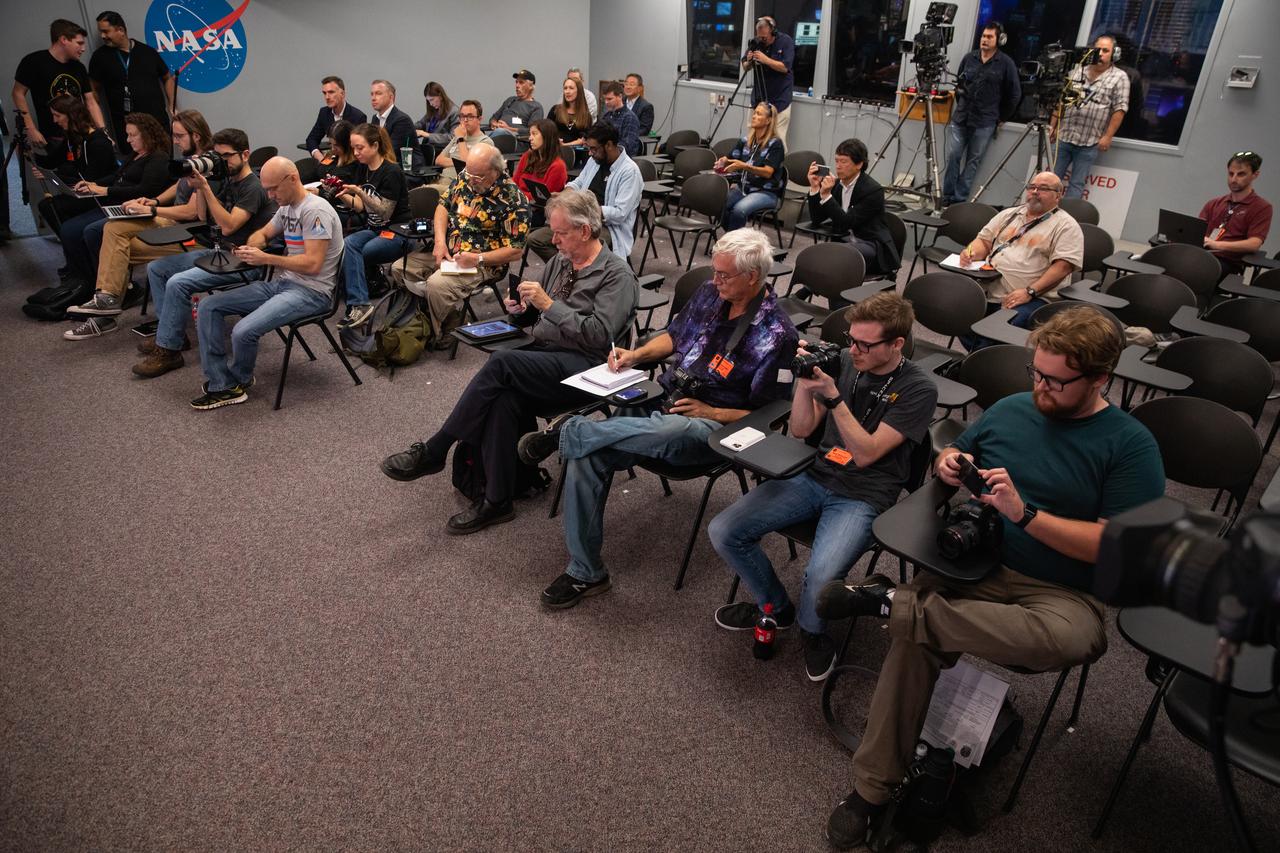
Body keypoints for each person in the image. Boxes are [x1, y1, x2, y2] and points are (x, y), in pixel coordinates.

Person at [818, 306, 1165, 849]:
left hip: (1060, 590)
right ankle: (871, 789)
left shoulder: (1130, 445)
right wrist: (949, 462)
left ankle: (895, 603)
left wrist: (1025, 514)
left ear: (1100, 378)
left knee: (1075, 637)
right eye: (1037, 373)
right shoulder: (1011, 409)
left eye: (1056, 380)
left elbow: (1115, 545)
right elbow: (955, 453)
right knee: (916, 638)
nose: (1042, 389)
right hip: (978, 566)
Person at [519, 228, 799, 609]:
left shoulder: (778, 335)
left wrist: (712, 412)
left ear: (753, 277)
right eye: (714, 272)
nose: (714, 281)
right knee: (591, 452)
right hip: (670, 398)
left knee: (674, 425)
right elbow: (675, 335)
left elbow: (769, 415)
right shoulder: (711, 293)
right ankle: (586, 571)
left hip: (716, 426)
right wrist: (637, 355)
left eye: (723, 275)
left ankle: (574, 431)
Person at [709, 293, 938, 680]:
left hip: (865, 494)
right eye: (851, 339)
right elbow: (800, 429)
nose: (855, 350)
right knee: (724, 530)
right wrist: (804, 382)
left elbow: (866, 454)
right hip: (815, 476)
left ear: (896, 344)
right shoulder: (845, 361)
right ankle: (776, 608)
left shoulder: (919, 389)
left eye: (866, 344)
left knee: (818, 580)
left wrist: (833, 397)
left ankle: (812, 631)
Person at [380, 189, 636, 533]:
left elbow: (598, 335)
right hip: (548, 357)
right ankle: (497, 500)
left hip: (589, 368)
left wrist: (547, 305)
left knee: (502, 364)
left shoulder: (616, 274)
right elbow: (535, 318)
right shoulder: (561, 261)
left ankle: (436, 449)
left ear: (585, 231)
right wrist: (521, 311)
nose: (553, 239)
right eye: (553, 230)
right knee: (503, 397)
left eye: (560, 232)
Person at [190, 158, 345, 411]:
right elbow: (263, 233)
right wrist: (254, 245)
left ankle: (237, 381)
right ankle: (222, 383)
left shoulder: (316, 211)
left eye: (274, 189)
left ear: (293, 179)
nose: (271, 196)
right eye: (267, 190)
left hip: (313, 292)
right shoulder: (286, 207)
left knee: (243, 331)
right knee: (209, 306)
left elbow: (314, 265)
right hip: (284, 284)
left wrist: (266, 258)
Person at [132, 128, 276, 378]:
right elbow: (200, 215)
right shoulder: (227, 180)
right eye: (217, 156)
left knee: (178, 282)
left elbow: (229, 225)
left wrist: (207, 190)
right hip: (219, 253)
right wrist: (199, 186)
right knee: (156, 268)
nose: (221, 162)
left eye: (226, 156)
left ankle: (168, 350)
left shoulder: (253, 186)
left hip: (244, 262)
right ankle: (173, 335)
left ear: (245, 154)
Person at [61, 109, 213, 340]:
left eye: (179, 136)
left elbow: (193, 212)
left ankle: (106, 311)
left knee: (113, 244)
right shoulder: (191, 159)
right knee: (113, 239)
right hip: (175, 226)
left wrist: (151, 209)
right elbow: (180, 186)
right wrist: (155, 200)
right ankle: (106, 303)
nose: (175, 140)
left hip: (191, 235)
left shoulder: (208, 164)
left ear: (197, 136)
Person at [402, 144, 529, 339]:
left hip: (485, 262)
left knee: (436, 285)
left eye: (477, 177)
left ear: (495, 172)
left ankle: (434, 334)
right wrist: (439, 242)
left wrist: (477, 259)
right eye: (468, 173)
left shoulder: (514, 200)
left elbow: (516, 251)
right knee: (399, 268)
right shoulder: (465, 178)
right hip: (449, 250)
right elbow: (443, 207)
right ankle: (447, 317)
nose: (470, 180)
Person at [957, 172, 1083, 350]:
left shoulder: (1066, 226)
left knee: (996, 331)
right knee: (958, 310)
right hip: (989, 286)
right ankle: (979, 358)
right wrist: (971, 252)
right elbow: (983, 241)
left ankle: (979, 362)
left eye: (1044, 188)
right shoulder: (1009, 214)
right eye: (1032, 187)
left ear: (1058, 195)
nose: (1035, 191)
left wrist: (1029, 292)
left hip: (1033, 297)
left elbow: (1063, 267)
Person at [53, 112, 172, 291]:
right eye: (128, 134)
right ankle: (86, 278)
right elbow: (117, 177)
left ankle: (107, 284)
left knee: (83, 231)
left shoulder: (158, 158)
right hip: (115, 203)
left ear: (147, 134)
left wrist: (105, 190)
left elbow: (145, 191)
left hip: (131, 208)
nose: (128, 139)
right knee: (69, 228)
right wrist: (95, 184)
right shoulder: (135, 155)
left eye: (133, 135)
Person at [526, 123, 641, 263]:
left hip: (608, 227)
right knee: (535, 239)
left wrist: (587, 211)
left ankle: (574, 269)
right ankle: (570, 268)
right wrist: (565, 194)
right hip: (579, 217)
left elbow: (620, 213)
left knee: (575, 244)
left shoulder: (629, 171)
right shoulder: (595, 161)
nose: (590, 153)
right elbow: (578, 183)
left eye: (593, 148)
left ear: (609, 145)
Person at [335, 123, 411, 327]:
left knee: (359, 251)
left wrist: (359, 192)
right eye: (353, 148)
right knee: (348, 243)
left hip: (396, 232)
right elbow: (361, 208)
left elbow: (384, 211)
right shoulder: (364, 169)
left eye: (360, 148)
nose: (356, 152)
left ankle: (358, 305)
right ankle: (359, 304)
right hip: (375, 229)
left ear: (375, 146)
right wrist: (342, 195)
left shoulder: (391, 171)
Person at [943, 21, 1021, 205]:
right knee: (953, 155)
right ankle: (946, 196)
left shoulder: (1006, 64)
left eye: (989, 37)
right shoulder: (969, 58)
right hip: (961, 118)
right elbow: (959, 86)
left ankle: (959, 200)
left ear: (999, 40)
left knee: (973, 161)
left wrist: (1002, 117)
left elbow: (1015, 94)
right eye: (983, 36)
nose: (984, 40)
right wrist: (961, 105)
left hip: (985, 122)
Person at [806, 138, 900, 276]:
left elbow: (846, 222)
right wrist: (815, 188)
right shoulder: (837, 185)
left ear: (859, 164)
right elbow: (816, 219)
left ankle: (805, 291)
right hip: (844, 240)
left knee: (835, 256)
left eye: (843, 161)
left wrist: (826, 196)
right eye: (836, 160)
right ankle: (809, 290)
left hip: (870, 243)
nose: (838, 166)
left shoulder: (873, 190)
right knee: (823, 256)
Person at [1050, 35, 1129, 200]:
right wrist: (1053, 125)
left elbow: (1120, 109)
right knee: (1050, 181)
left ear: (1114, 54)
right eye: (1097, 49)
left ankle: (1065, 222)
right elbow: (1061, 100)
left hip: (1090, 142)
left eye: (1105, 51)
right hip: (1064, 136)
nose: (1100, 54)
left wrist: (1108, 137)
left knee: (1077, 184)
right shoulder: (1076, 71)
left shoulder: (1120, 77)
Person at [32, 95, 118, 241]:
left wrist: (53, 175)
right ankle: (73, 244)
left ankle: (73, 243)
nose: (55, 120)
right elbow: (51, 161)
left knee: (51, 207)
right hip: (82, 192)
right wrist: (28, 152)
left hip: (100, 195)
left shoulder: (98, 143)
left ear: (71, 115)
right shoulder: (73, 137)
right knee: (49, 206)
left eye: (57, 115)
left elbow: (89, 180)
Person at [88, 11, 174, 156]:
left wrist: (172, 104)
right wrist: (98, 123)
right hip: (127, 130)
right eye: (100, 32)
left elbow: (167, 77)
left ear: (120, 30)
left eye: (105, 31)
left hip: (157, 123)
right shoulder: (99, 57)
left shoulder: (148, 52)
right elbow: (92, 91)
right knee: (136, 170)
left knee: (164, 163)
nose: (102, 36)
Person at [13, 19, 105, 151]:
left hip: (81, 133)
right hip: (54, 137)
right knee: (63, 170)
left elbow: (90, 101)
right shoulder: (34, 62)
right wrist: (30, 129)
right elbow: (17, 93)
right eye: (79, 43)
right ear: (63, 40)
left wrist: (102, 132)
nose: (83, 48)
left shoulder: (79, 67)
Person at [1200, 151, 1272, 278]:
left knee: (1194, 271)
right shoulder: (1214, 203)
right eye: (1231, 174)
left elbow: (1254, 243)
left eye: (1241, 174)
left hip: (1227, 262)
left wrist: (1217, 244)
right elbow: (1196, 231)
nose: (1233, 179)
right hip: (1201, 255)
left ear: (1255, 174)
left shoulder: (1262, 207)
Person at [717, 102, 785, 231]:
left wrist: (744, 166)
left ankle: (733, 245)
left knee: (739, 210)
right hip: (744, 187)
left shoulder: (775, 144)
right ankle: (732, 239)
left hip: (766, 192)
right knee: (719, 205)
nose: (754, 116)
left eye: (759, 114)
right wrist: (723, 161)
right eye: (754, 113)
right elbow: (731, 159)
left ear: (768, 120)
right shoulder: (746, 141)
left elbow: (767, 172)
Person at [743, 15, 795, 145]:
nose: (762, 40)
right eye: (760, 36)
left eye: (764, 37)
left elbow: (785, 67)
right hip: (758, 99)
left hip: (779, 99)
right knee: (752, 135)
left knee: (777, 139)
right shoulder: (756, 43)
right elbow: (745, 66)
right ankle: (750, 163)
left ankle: (774, 165)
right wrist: (749, 61)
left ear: (773, 31)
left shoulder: (785, 41)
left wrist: (765, 60)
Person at [511, 118, 569, 226]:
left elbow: (544, 200)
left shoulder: (558, 166)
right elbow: (514, 184)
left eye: (534, 134)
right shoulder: (527, 156)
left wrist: (519, 195)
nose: (530, 138)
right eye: (530, 134)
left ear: (546, 136)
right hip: (518, 204)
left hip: (538, 212)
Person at [434, 99, 494, 184]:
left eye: (470, 116)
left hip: (461, 186)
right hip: (442, 179)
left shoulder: (485, 142)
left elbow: (469, 167)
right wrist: (458, 163)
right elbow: (439, 160)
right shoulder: (457, 137)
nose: (465, 120)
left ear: (479, 119)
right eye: (462, 116)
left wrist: (461, 139)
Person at [306, 76, 366, 161]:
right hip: (330, 160)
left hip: (350, 163)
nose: (327, 97)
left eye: (331, 92)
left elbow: (358, 148)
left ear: (342, 93)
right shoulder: (324, 112)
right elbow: (311, 139)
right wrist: (320, 157)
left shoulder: (358, 116)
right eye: (324, 93)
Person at [490, 70, 544, 136]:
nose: (517, 85)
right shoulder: (510, 100)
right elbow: (494, 118)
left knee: (497, 134)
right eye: (516, 82)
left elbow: (533, 131)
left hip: (517, 140)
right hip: (498, 134)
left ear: (530, 86)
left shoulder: (536, 107)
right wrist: (494, 123)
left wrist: (508, 129)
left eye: (521, 82)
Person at [368, 79, 415, 153]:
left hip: (403, 163)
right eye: (372, 94)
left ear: (391, 97)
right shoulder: (375, 118)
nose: (373, 98)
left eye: (378, 93)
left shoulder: (402, 120)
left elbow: (391, 151)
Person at [414, 81, 459, 154]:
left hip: (443, 151)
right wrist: (409, 127)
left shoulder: (454, 112)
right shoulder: (434, 110)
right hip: (429, 149)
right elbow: (421, 124)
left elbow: (453, 137)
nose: (430, 104)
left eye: (432, 100)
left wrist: (427, 135)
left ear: (440, 96)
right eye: (428, 101)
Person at [597, 81, 640, 157]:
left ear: (620, 96)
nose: (606, 102)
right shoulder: (606, 116)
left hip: (622, 160)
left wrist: (604, 149)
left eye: (610, 99)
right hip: (606, 156)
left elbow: (627, 146)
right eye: (605, 99)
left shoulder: (630, 118)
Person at [550, 77, 593, 147]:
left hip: (576, 154)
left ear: (579, 91)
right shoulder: (555, 110)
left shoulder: (586, 116)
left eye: (571, 88)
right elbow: (547, 132)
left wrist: (565, 145)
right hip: (555, 151)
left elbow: (584, 140)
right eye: (565, 88)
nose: (567, 91)